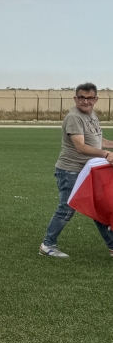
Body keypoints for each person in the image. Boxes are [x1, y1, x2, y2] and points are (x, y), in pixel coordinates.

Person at [39, 83, 113, 258]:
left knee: (99, 207)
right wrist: (106, 154)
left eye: (89, 98)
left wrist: (110, 146)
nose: (85, 101)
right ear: (75, 98)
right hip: (70, 170)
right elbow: (80, 147)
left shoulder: (92, 115)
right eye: (82, 97)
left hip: (88, 171)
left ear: (96, 99)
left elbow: (97, 140)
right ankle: (47, 245)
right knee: (67, 208)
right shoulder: (74, 117)